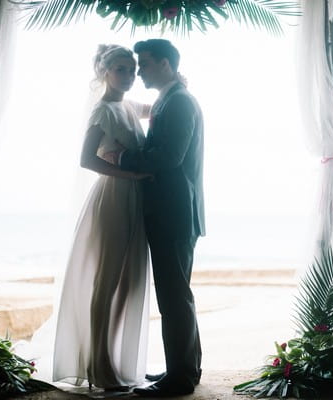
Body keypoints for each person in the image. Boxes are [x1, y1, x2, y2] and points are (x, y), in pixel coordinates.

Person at [52, 44, 151, 391]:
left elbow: (159, 110)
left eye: (133, 70)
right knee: (107, 281)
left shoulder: (127, 106)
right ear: (104, 72)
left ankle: (113, 356)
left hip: (134, 199)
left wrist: (177, 84)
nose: (129, 76)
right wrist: (130, 176)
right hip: (113, 196)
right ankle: (98, 366)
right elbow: (86, 160)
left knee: (129, 281)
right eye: (121, 69)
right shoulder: (103, 111)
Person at [117, 39, 205, 397]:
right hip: (173, 212)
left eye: (146, 63)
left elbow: (169, 157)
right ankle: (184, 369)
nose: (140, 71)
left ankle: (181, 378)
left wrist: (121, 159)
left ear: (167, 64)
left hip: (175, 213)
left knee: (174, 297)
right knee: (175, 295)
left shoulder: (180, 102)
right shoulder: (171, 98)